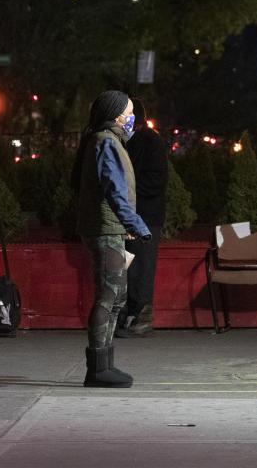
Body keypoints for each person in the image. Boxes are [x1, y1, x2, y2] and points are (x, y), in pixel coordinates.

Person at [71, 90, 151, 388]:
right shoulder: (105, 142)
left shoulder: (110, 141)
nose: (132, 118)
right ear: (117, 116)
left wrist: (126, 225)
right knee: (108, 297)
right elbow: (114, 190)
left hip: (112, 228)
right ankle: (98, 369)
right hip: (105, 230)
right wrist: (137, 224)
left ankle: (104, 365)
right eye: (129, 112)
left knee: (116, 297)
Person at [116, 99, 168, 337]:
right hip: (136, 214)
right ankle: (132, 315)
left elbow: (155, 181)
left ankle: (139, 315)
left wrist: (127, 188)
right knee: (131, 267)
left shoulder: (148, 142)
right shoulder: (136, 140)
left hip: (144, 215)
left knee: (140, 268)